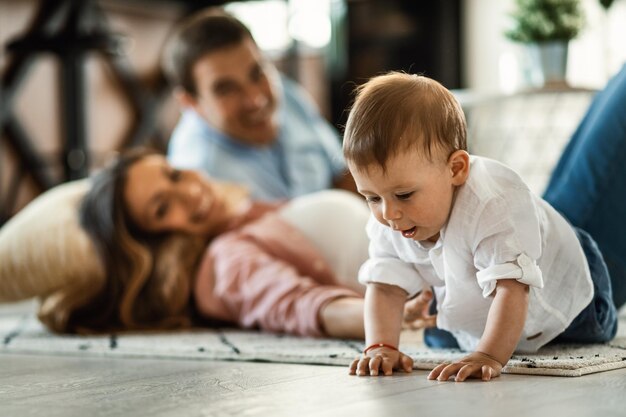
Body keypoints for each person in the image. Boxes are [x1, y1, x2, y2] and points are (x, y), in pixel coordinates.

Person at [342, 71, 625, 382]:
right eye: (370, 197)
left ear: (457, 169)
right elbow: (383, 286)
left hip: (571, 304)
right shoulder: (391, 211)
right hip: (479, 297)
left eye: (404, 195)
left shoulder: (494, 201)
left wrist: (488, 355)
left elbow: (512, 289)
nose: (388, 213)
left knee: (563, 319)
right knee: (442, 330)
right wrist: (381, 346)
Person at [162, 8, 353, 201]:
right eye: (226, 90)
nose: (256, 100)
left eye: (257, 73)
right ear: (191, 103)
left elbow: (344, 172)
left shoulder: (284, 90)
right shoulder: (199, 182)